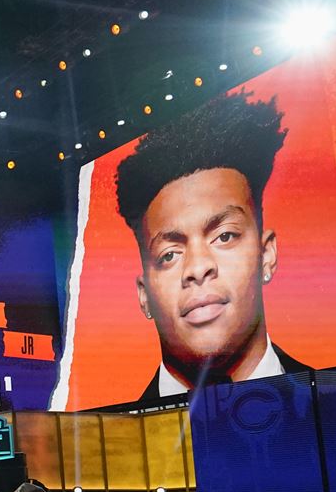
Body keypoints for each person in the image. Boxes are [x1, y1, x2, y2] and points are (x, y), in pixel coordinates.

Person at [115, 93, 309, 400]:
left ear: (266, 255)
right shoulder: (116, 430)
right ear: (144, 296)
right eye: (169, 255)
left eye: (225, 236)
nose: (197, 267)